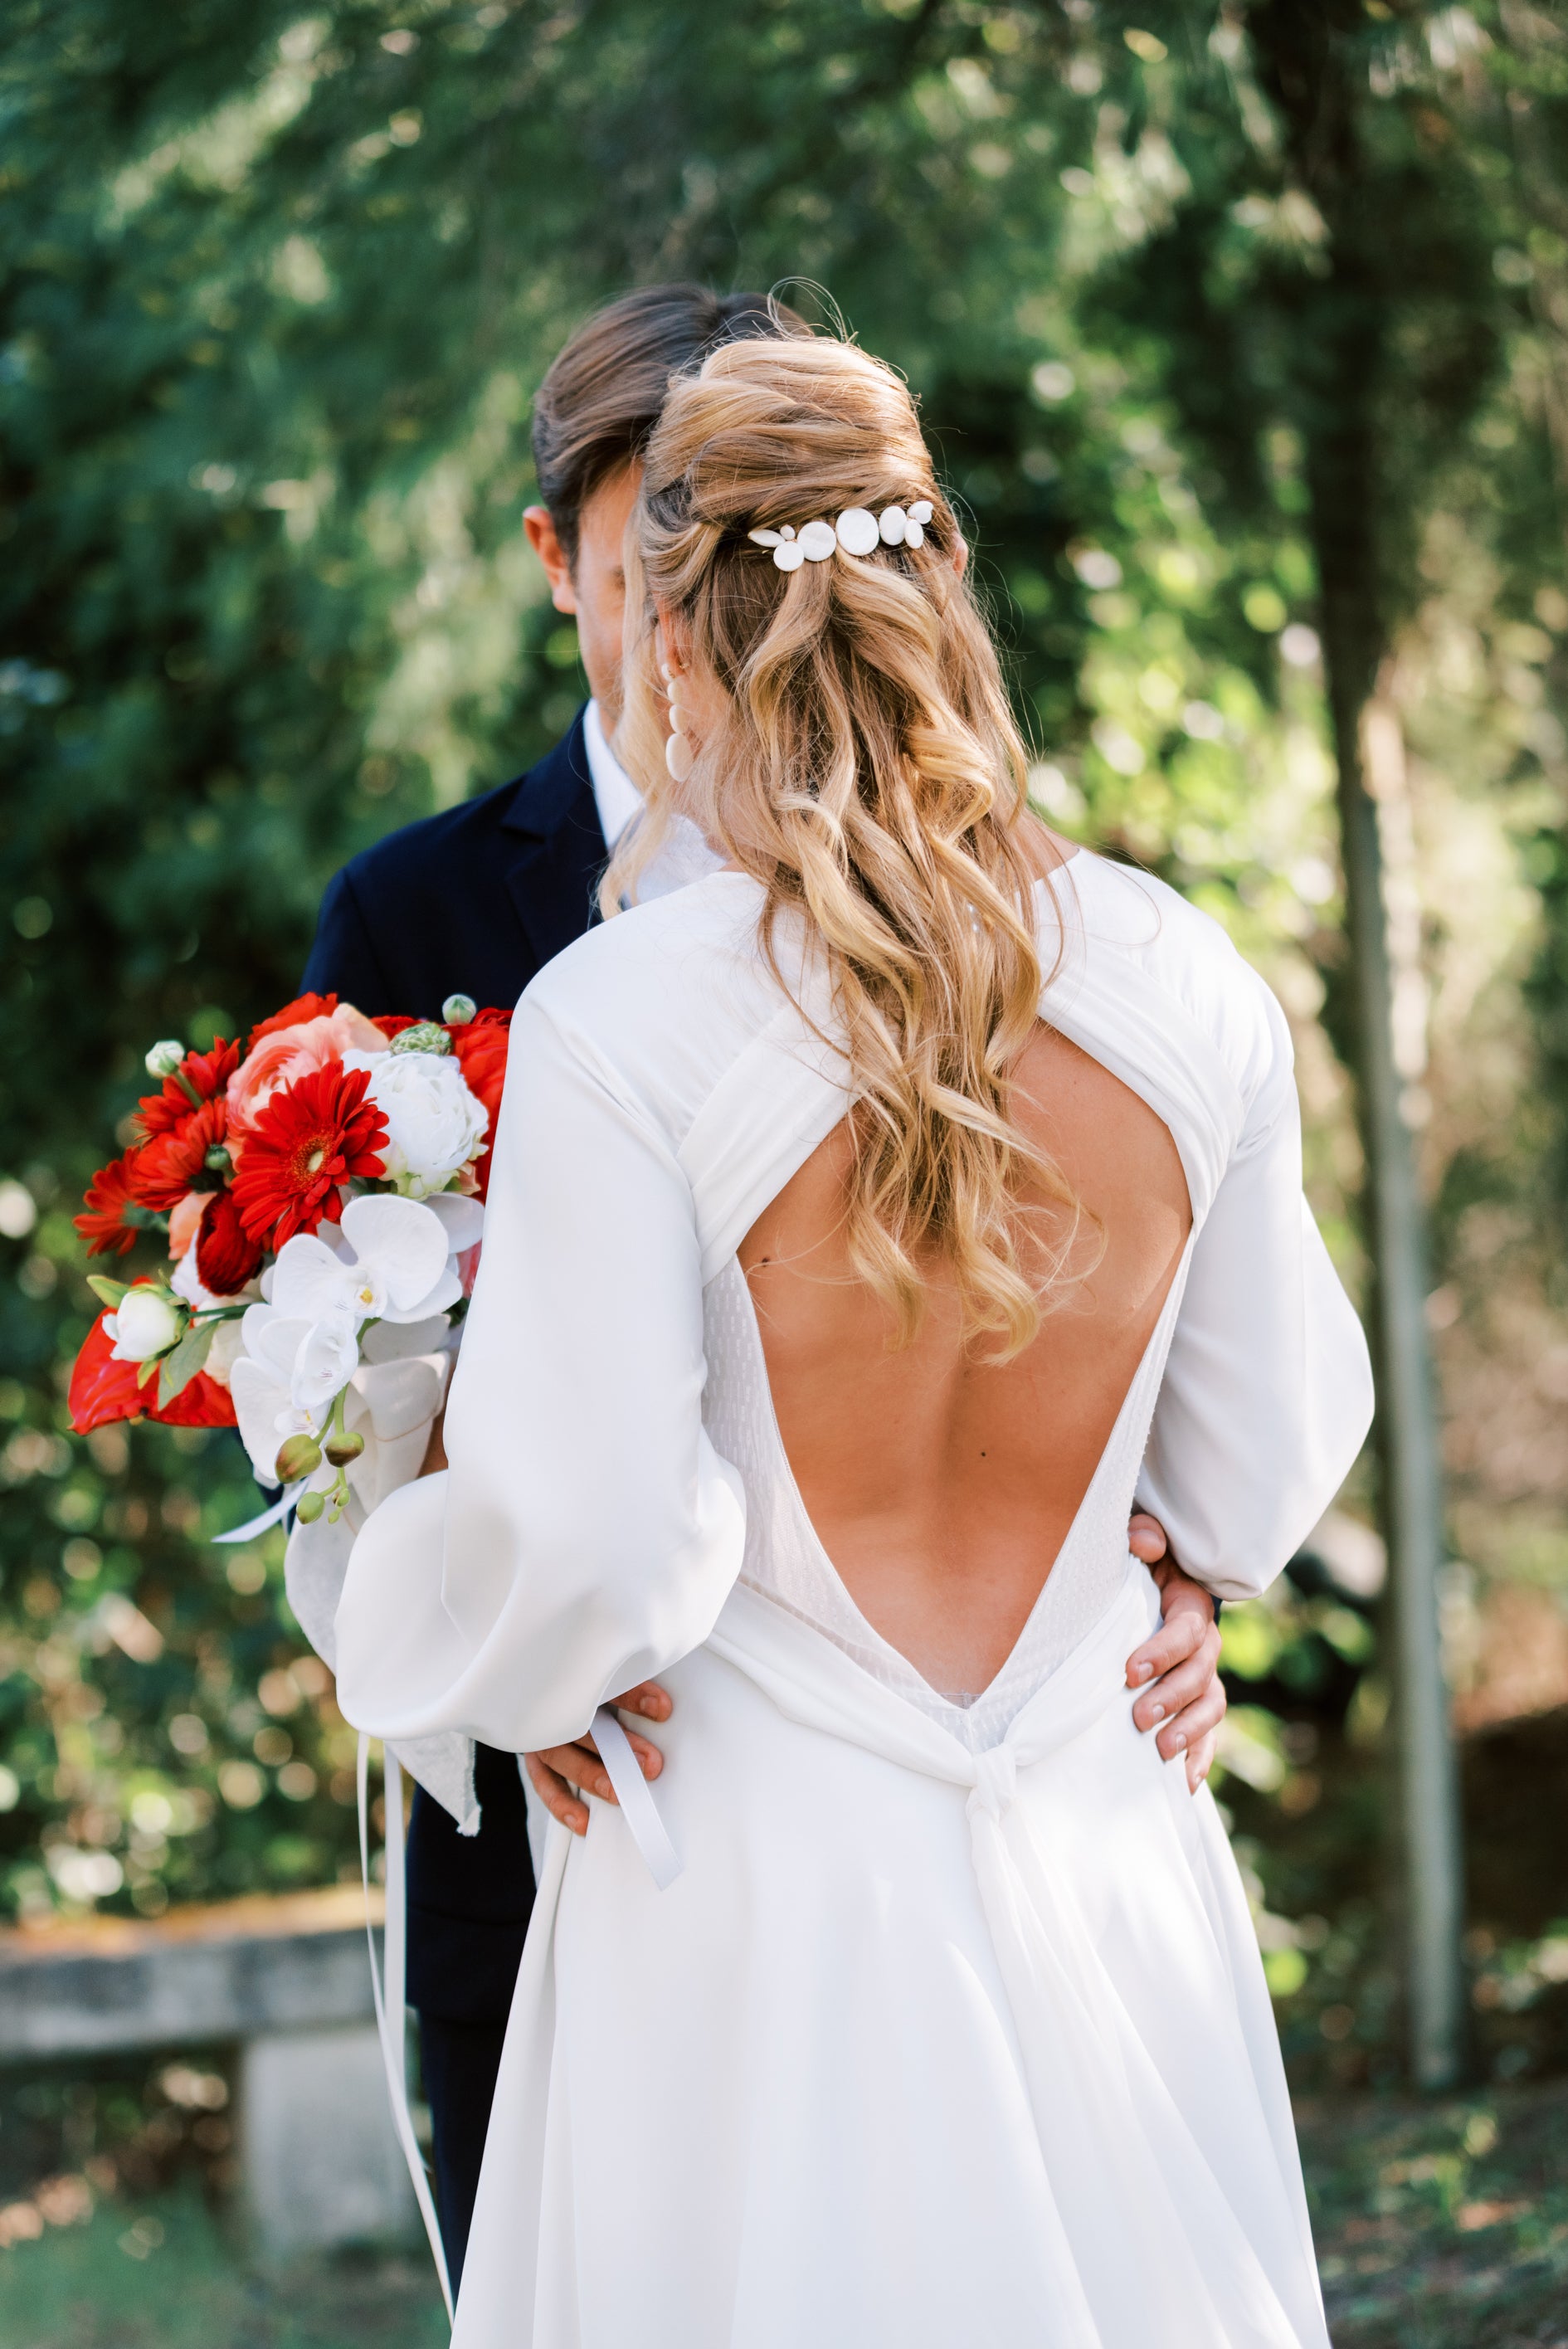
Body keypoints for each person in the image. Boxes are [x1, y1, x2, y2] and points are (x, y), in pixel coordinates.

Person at [333, 332, 1373, 2342]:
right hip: (1101, 1833)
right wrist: (1170, 1587)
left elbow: (605, 1551)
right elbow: (1249, 1461)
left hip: (736, 1908)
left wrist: (448, 1626)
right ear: (943, 589)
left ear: (672, 645)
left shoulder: (627, 1025)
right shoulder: (1185, 980)